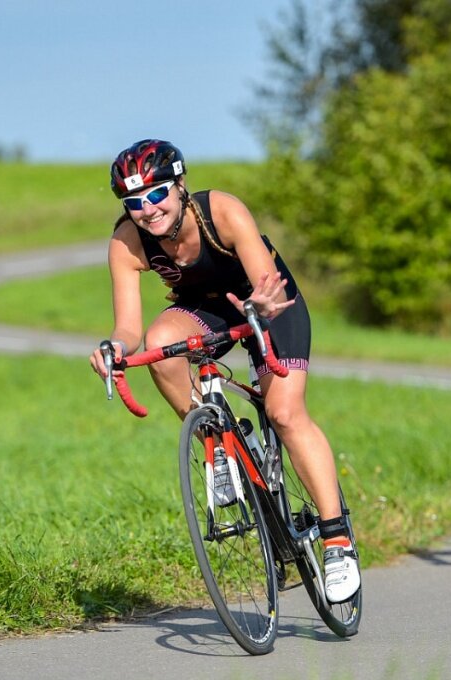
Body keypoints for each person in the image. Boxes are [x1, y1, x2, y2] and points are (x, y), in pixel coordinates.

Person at [89, 139, 361, 602]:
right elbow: (129, 327)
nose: (147, 210)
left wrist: (259, 306)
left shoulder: (222, 212)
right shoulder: (126, 241)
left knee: (284, 413)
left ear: (180, 187)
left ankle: (336, 540)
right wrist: (113, 347)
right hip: (205, 310)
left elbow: (264, 282)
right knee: (160, 344)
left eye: (156, 195)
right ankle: (219, 447)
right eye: (134, 203)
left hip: (268, 303)